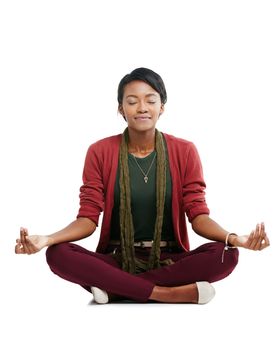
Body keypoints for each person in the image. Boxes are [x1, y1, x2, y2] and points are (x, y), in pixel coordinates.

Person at [15, 67, 270, 304]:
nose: (142, 107)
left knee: (226, 254)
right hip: (117, 259)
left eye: (150, 100)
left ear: (162, 108)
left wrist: (236, 238)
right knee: (57, 254)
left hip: (169, 259)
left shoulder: (184, 151)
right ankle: (168, 294)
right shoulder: (100, 151)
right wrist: (47, 239)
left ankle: (114, 289)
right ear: (120, 109)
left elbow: (198, 215)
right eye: (132, 101)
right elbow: (88, 219)